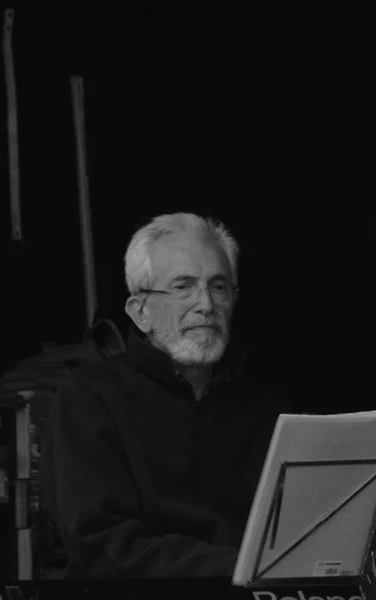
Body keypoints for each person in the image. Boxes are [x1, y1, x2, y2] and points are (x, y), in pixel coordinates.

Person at [44, 212, 290, 579]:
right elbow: (102, 545)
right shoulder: (89, 399)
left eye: (219, 287)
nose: (206, 304)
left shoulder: (268, 411)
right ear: (140, 312)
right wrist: (239, 570)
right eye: (183, 286)